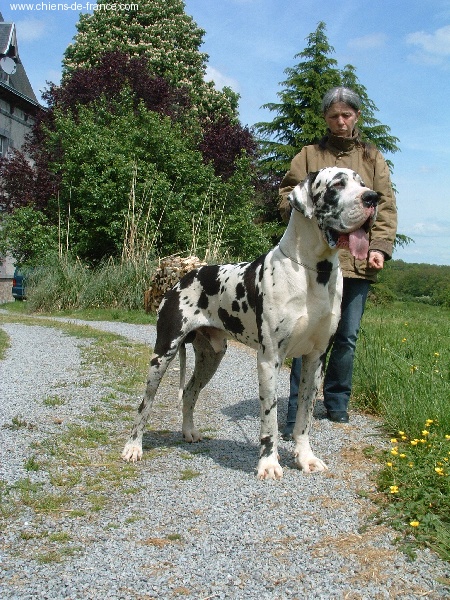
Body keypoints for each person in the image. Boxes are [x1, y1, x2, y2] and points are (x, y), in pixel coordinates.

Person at [278, 87, 397, 435]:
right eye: (333, 116)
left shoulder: (373, 158)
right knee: (305, 335)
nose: (340, 121)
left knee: (346, 336)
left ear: (356, 116)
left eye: (346, 115)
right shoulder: (309, 155)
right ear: (326, 118)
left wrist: (380, 246)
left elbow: (385, 205)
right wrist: (308, 205)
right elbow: (288, 195)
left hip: (356, 262)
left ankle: (336, 403)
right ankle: (295, 413)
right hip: (312, 264)